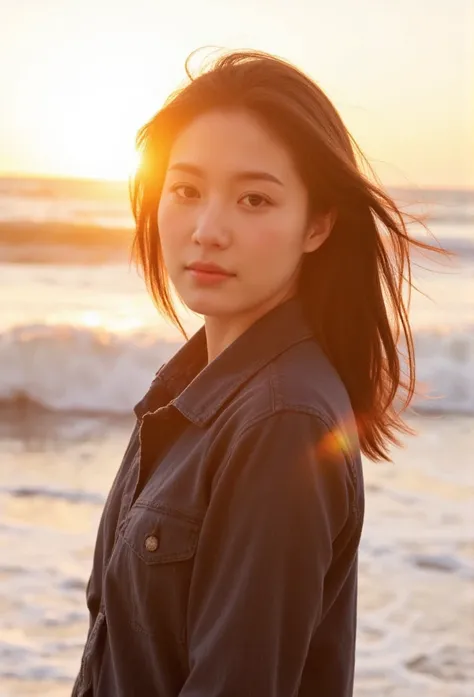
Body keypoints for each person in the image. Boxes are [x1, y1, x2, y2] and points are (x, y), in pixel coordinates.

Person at [72, 49, 439, 697]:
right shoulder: (188, 391)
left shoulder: (282, 421)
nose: (208, 230)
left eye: (254, 199)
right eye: (185, 190)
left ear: (318, 224)